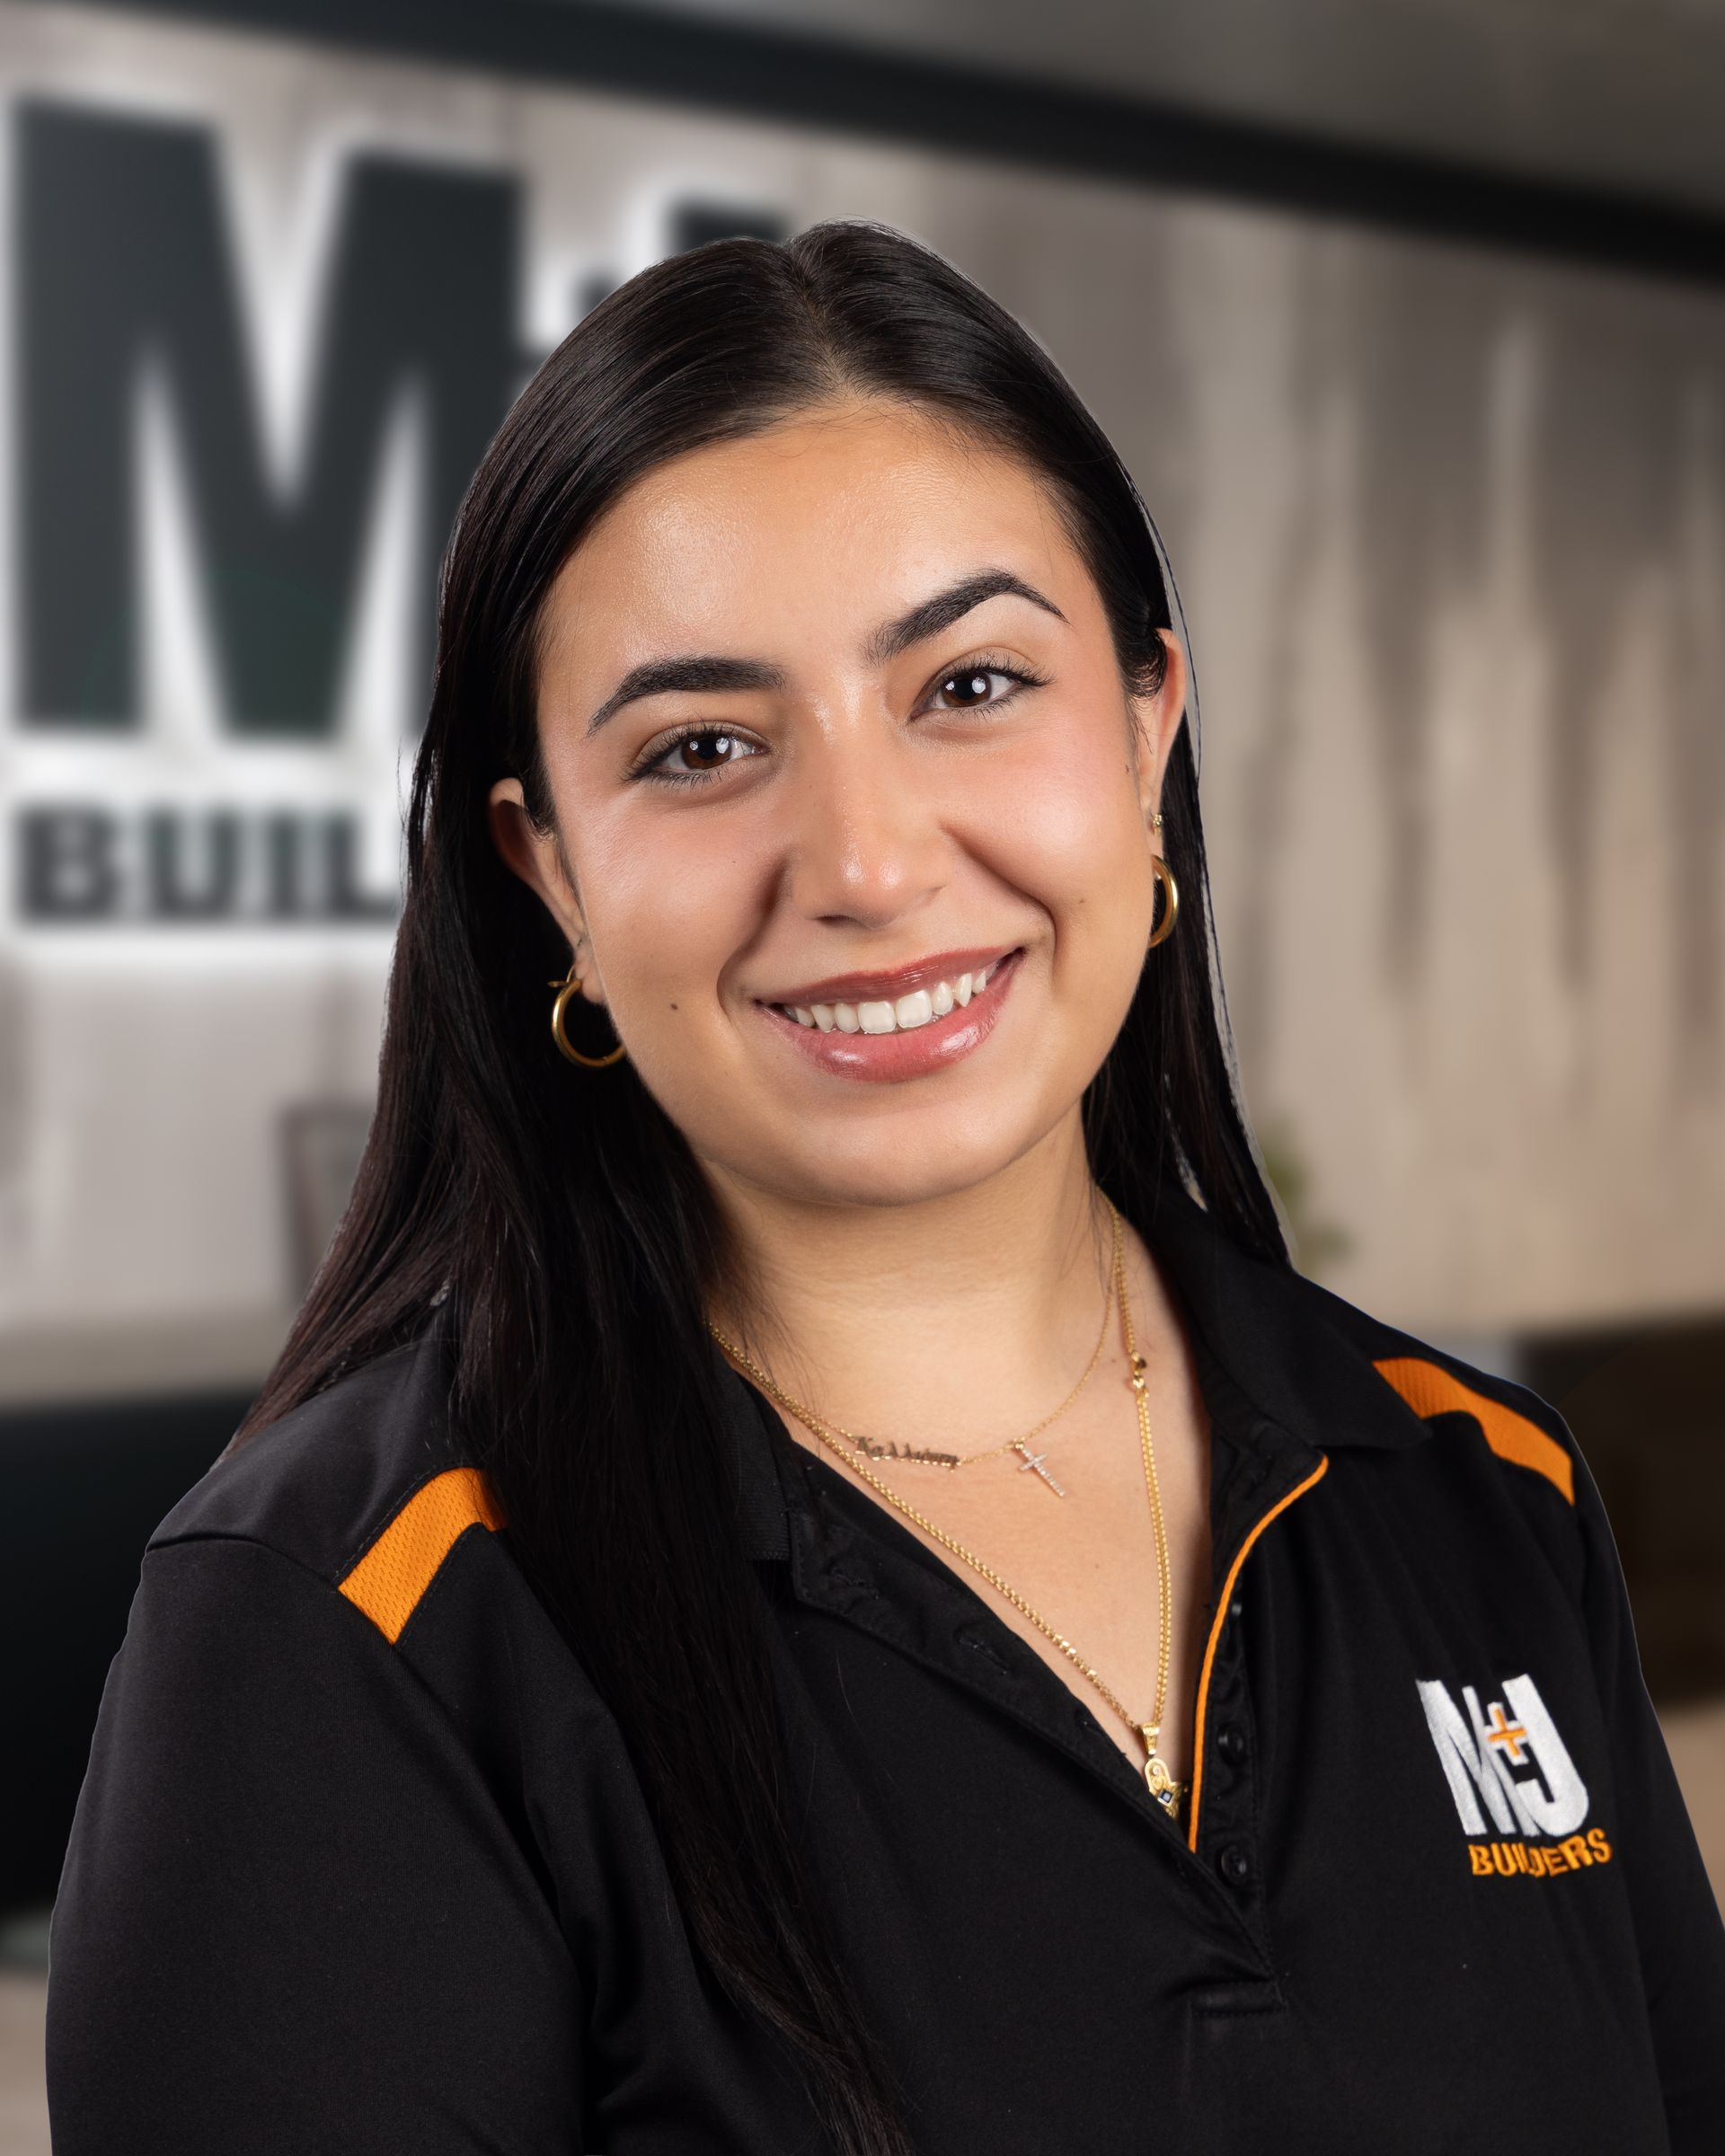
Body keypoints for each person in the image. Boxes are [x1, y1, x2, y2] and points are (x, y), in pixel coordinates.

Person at [46, 222, 1725, 2156]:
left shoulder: (1480, 1492)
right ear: (548, 872)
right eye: (700, 747)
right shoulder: (348, 1638)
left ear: (1148, 725)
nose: (862, 860)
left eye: (972, 686)